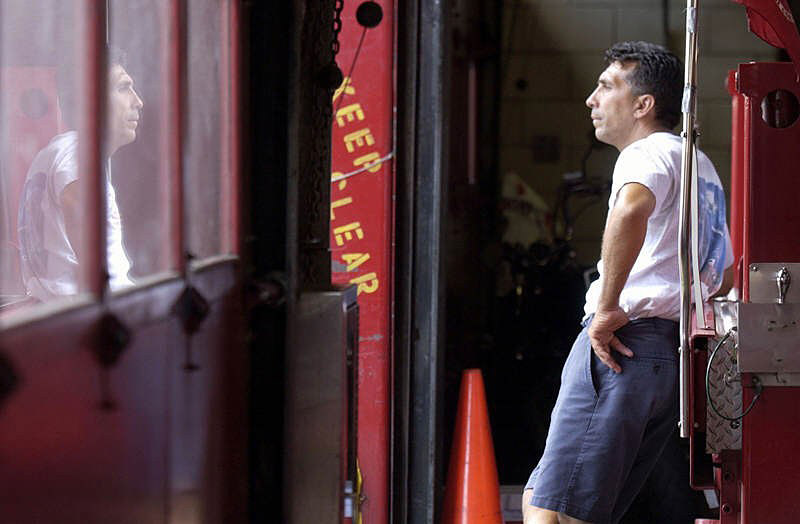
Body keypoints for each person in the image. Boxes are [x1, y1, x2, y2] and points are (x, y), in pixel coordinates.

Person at [522, 41, 734, 524]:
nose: (591, 100)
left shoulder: (646, 155)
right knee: (553, 499)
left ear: (644, 105)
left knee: (564, 512)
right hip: (669, 355)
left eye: (606, 87)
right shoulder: (699, 164)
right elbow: (720, 268)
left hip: (624, 343)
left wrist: (607, 309)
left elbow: (630, 210)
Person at [17, 47, 143, 300]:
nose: (137, 101)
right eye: (123, 87)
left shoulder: (57, 152)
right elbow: (85, 237)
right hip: (105, 316)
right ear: (91, 99)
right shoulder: (77, 153)